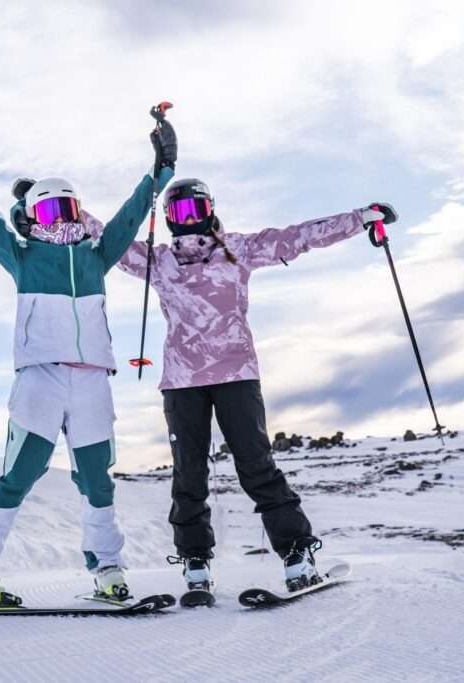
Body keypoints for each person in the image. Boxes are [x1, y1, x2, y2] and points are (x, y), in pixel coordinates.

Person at [0, 115, 177, 606]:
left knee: (98, 480)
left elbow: (133, 212)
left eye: (71, 208)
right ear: (34, 215)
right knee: (20, 475)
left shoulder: (96, 255)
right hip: (40, 378)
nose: (64, 218)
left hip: (93, 383)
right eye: (53, 209)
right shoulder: (22, 256)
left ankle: (107, 568)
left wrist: (161, 168)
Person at [116, 177, 396, 594]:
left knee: (256, 465)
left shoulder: (238, 250)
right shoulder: (158, 262)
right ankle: (195, 562)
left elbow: (297, 238)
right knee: (188, 474)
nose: (189, 219)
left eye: (196, 208)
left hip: (236, 376)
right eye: (179, 212)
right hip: (181, 380)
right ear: (169, 219)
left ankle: (297, 552)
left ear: (211, 209)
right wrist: (49, 205)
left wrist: (360, 219)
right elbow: (107, 240)